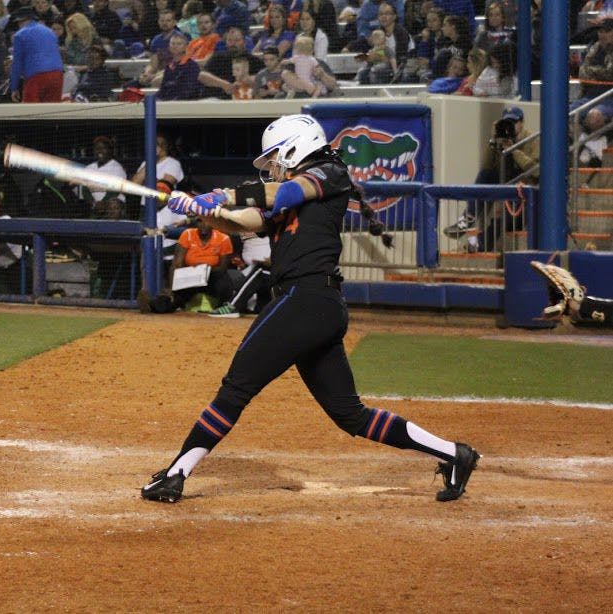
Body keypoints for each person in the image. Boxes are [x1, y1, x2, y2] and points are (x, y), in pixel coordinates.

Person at [141, 113, 481, 504]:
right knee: (349, 414)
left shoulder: (328, 171)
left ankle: (176, 474)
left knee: (235, 388)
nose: (272, 166)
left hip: (304, 299)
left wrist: (219, 196)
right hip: (313, 307)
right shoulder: (292, 191)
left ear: (295, 146)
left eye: (275, 157)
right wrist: (205, 211)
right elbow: (248, 221)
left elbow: (277, 195)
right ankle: (455, 455)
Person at [444, 106, 538, 252]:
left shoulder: (532, 139)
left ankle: (480, 244)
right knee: (485, 174)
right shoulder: (501, 139)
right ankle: (468, 217)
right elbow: (486, 166)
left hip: (524, 192)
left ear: (522, 122)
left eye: (514, 122)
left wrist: (514, 150)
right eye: (507, 122)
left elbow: (536, 171)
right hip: (505, 182)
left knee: (503, 218)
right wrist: (493, 140)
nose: (511, 126)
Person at [531, 261, 613, 328]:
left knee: (579, 307)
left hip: (581, 308)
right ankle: (574, 308)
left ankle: (575, 307)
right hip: (580, 310)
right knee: (579, 308)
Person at [9, 7, 65, 102]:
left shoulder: (19, 35)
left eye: (18, 23)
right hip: (57, 74)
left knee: (31, 112)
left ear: (21, 21)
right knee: (53, 112)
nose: (18, 25)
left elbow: (17, 63)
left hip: (36, 75)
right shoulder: (50, 32)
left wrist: (14, 88)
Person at [84, 136, 127, 216]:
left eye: (104, 148)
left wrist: (103, 204)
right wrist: (94, 203)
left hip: (113, 211)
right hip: (94, 209)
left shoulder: (117, 167)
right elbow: (85, 189)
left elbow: (115, 190)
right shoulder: (89, 168)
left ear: (110, 150)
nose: (100, 151)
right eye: (97, 148)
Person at [156, 33, 202, 100]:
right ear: (169, 47)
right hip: (167, 103)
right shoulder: (169, 66)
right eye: (173, 44)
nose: (175, 46)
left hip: (184, 104)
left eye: (179, 44)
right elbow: (163, 89)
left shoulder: (192, 66)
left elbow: (188, 91)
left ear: (185, 47)